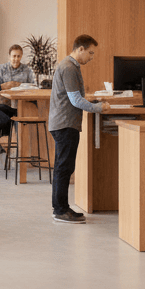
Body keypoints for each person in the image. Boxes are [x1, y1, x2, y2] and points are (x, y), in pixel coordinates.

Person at [48, 35, 112, 224]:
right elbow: (75, 100)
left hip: (66, 123)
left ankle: (63, 207)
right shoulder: (68, 67)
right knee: (63, 168)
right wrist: (98, 107)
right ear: (80, 49)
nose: (91, 57)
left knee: (65, 167)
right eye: (90, 52)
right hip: (65, 124)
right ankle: (59, 210)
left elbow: (75, 98)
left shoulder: (71, 66)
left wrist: (92, 103)